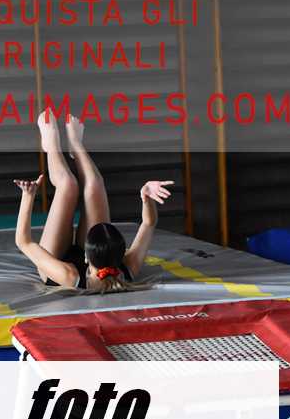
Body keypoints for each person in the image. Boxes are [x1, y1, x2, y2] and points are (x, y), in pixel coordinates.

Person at [14, 112, 173, 292]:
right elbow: (149, 223)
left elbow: (24, 242)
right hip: (93, 260)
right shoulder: (128, 267)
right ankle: (75, 145)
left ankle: (51, 146)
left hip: (56, 260)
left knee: (67, 184)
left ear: (86, 257)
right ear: (121, 255)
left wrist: (28, 196)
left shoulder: (69, 275)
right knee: (95, 184)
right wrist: (146, 198)